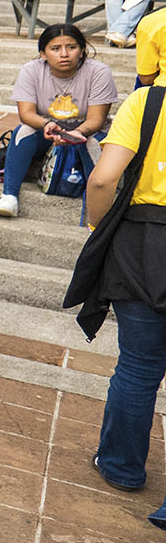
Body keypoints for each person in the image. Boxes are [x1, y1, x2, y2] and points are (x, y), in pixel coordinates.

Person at [80, 84, 166, 520]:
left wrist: (99, 228)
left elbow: (103, 177)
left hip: (144, 239)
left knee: (138, 366)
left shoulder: (149, 100)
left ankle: (121, 466)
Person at [0, 23, 119, 218]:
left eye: (71, 47)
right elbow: (26, 113)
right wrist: (45, 124)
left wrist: (76, 133)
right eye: (55, 48)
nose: (64, 54)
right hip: (49, 131)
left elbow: (97, 119)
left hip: (86, 133)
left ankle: (95, 213)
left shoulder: (98, 72)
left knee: (94, 143)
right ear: (43, 54)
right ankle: (9, 196)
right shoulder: (31, 70)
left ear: (82, 50)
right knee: (22, 131)